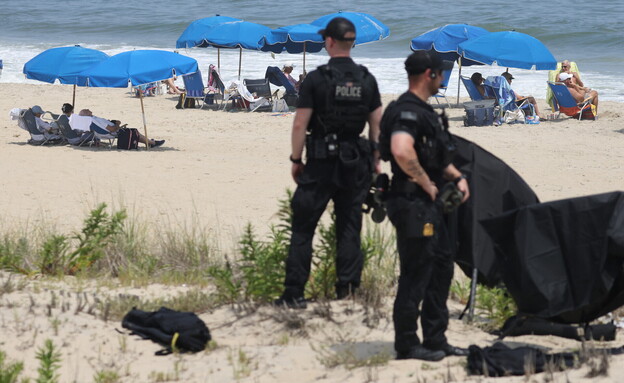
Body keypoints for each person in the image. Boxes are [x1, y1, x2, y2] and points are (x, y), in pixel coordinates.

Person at [273, 17, 382, 309]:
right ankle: (346, 293)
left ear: (330, 42)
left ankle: (294, 294)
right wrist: (376, 162)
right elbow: (377, 126)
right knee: (349, 227)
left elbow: (300, 124)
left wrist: (296, 159)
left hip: (320, 161)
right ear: (352, 43)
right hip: (356, 162)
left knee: (303, 227)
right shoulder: (366, 78)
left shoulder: (317, 79)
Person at [378, 51, 470, 361]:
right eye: (441, 74)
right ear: (429, 74)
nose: (443, 80)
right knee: (416, 274)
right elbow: (401, 151)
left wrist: (456, 178)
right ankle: (407, 344)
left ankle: (435, 339)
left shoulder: (423, 111)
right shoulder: (406, 111)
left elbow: (432, 156)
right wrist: (426, 183)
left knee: (441, 269)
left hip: (429, 206)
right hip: (413, 203)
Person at [78, 109, 165, 147]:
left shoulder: (92, 120)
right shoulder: (94, 120)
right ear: (86, 114)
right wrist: (117, 125)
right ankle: (151, 143)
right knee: (134, 131)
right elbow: (111, 130)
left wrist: (113, 122)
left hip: (104, 132)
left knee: (133, 131)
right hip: (113, 132)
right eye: (86, 109)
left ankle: (149, 142)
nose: (89, 109)